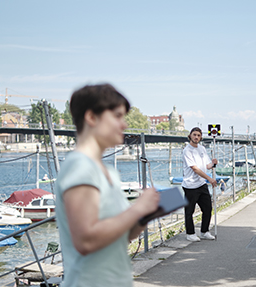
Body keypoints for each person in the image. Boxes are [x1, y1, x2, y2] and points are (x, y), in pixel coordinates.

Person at [55, 84, 160, 286]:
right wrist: (137, 208)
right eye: (118, 116)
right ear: (92, 117)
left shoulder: (107, 171)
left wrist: (146, 213)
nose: (125, 125)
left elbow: (124, 234)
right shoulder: (80, 167)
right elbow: (86, 240)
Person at [181, 127, 218, 242]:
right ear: (190, 136)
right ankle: (190, 234)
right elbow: (195, 169)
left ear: (200, 137)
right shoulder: (187, 151)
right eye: (194, 135)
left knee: (207, 208)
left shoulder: (202, 149)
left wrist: (213, 164)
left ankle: (204, 231)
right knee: (189, 211)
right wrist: (210, 179)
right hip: (190, 185)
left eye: (198, 135)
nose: (196, 137)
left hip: (201, 184)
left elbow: (206, 166)